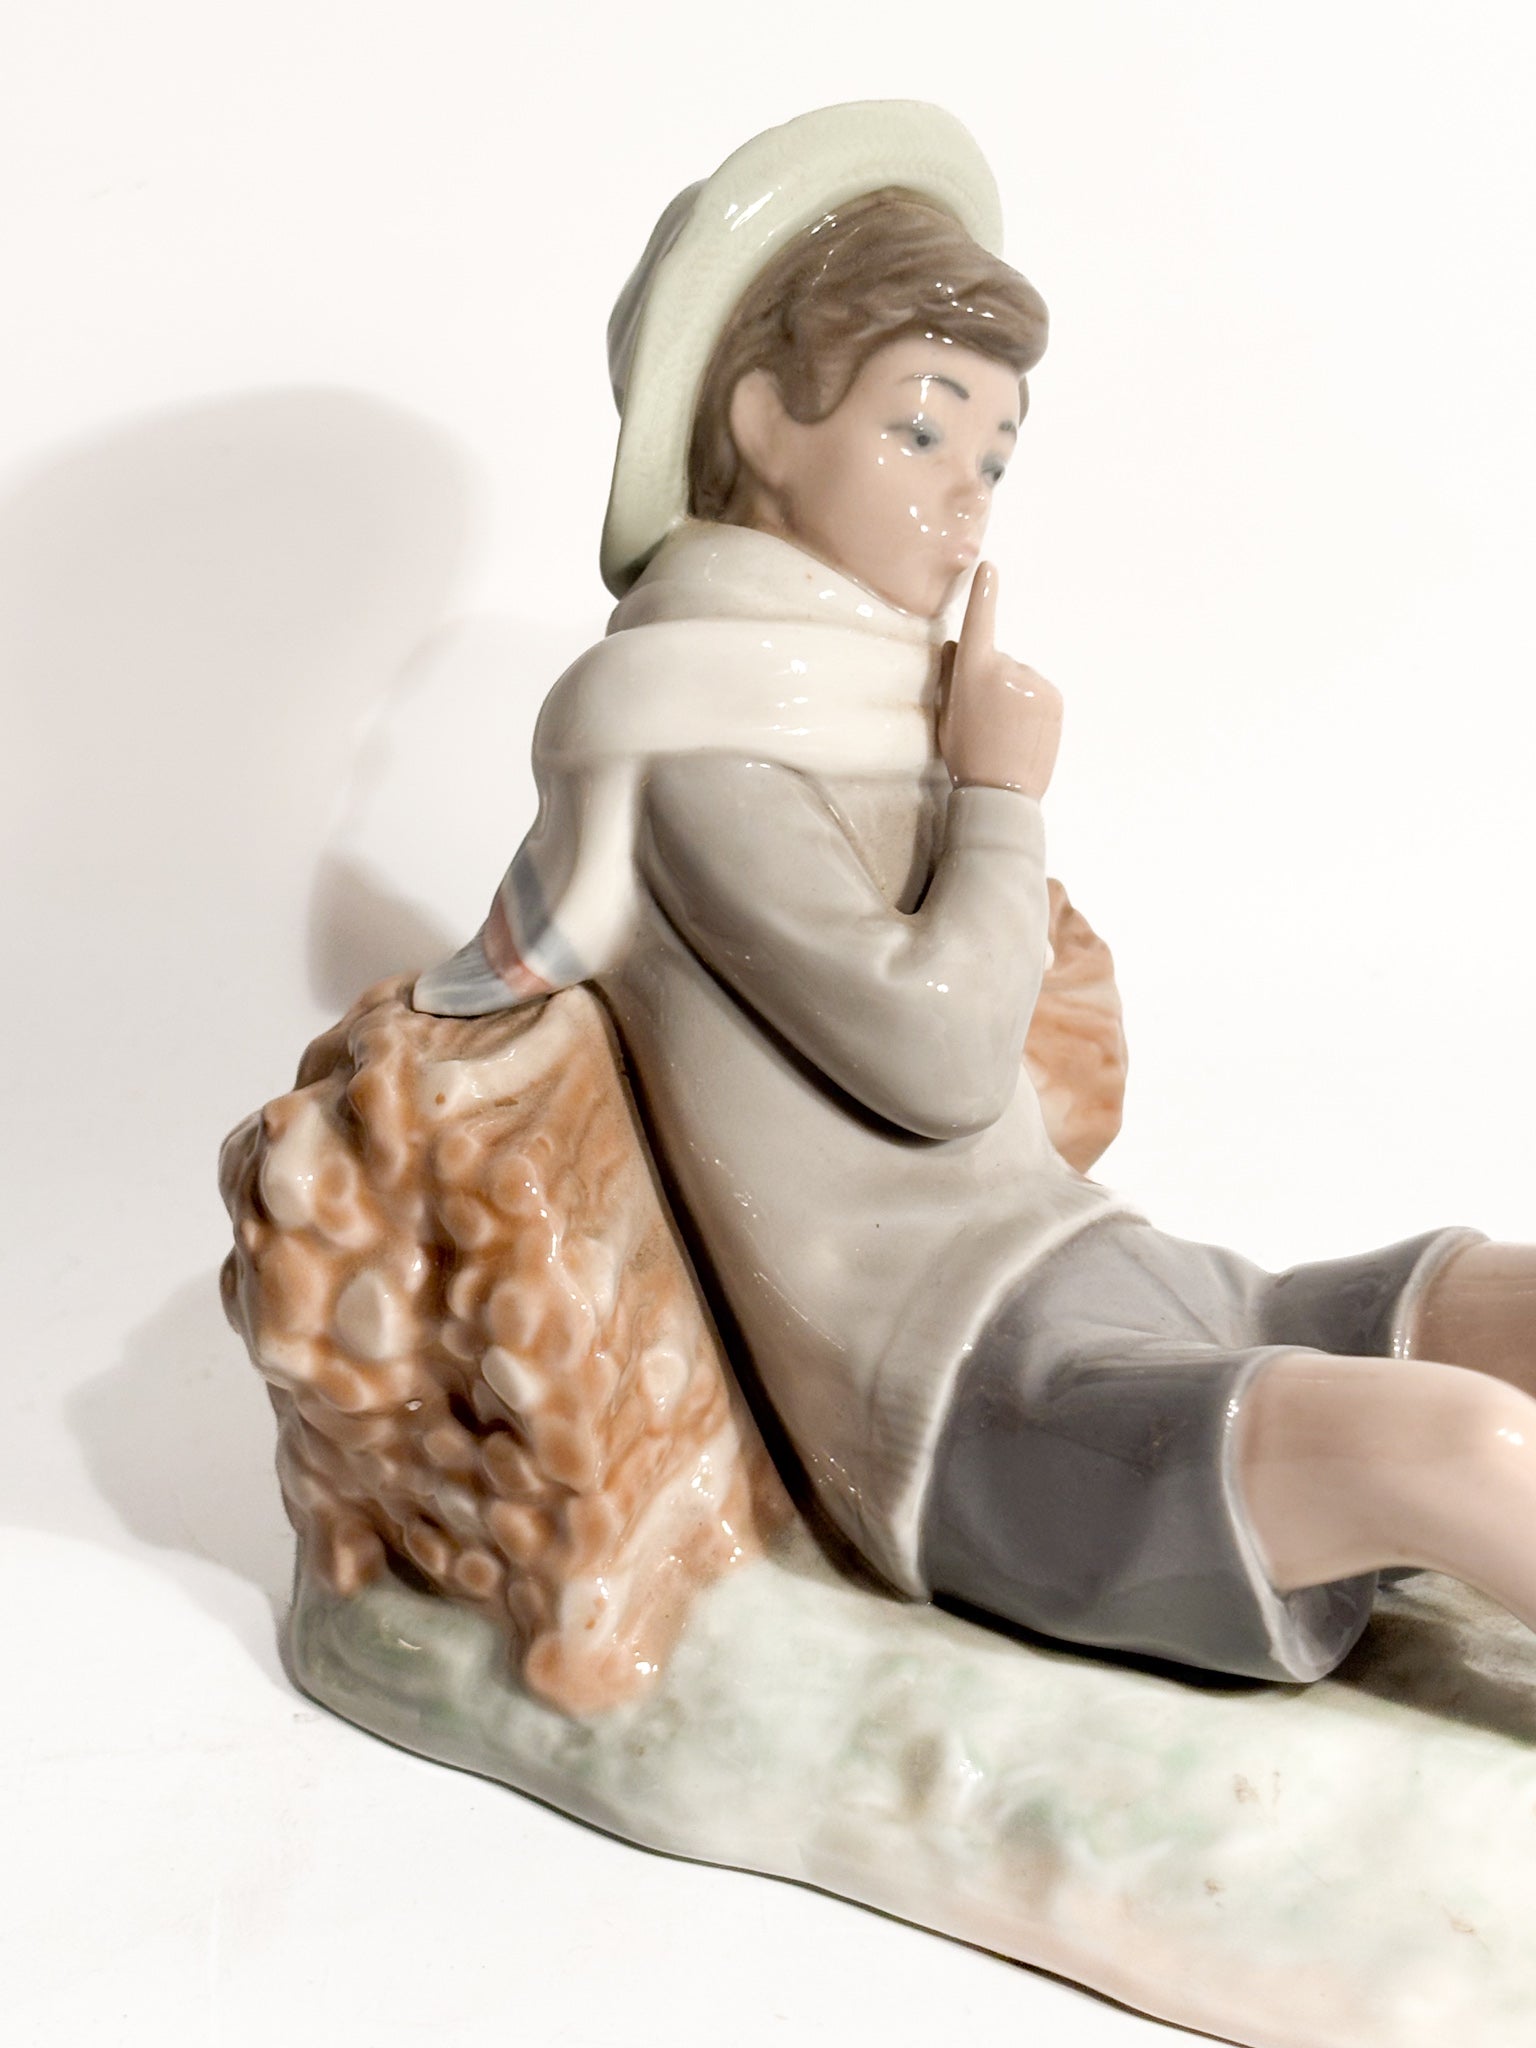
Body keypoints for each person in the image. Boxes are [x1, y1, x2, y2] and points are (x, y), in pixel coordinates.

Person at [415, 101, 1536, 1684]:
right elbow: (938, 1059)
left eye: (994, 458)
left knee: (1509, 1315)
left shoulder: (862, 707)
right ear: (761, 422)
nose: (968, 500)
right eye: (920, 435)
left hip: (1099, 1270)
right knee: (1463, 1450)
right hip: (977, 1402)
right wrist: (1001, 795)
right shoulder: (698, 748)